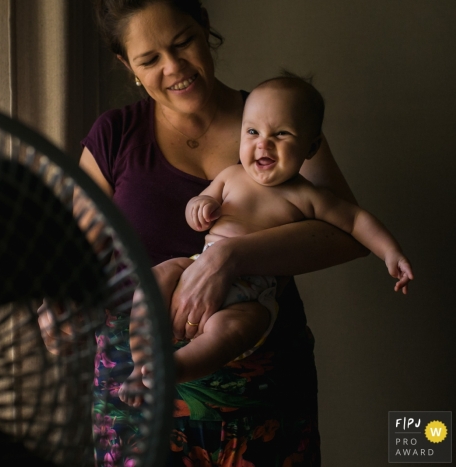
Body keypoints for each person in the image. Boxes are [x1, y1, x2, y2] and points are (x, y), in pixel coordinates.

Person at [82, 0, 370, 465]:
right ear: (127, 66)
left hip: (259, 392)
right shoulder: (113, 135)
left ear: (205, 29)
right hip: (138, 396)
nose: (174, 68)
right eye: (150, 59)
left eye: (183, 43)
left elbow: (348, 232)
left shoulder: (277, 121)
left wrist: (230, 257)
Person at [120, 75, 413, 408]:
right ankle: (141, 364)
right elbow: (197, 205)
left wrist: (391, 253)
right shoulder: (231, 175)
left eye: (282, 134)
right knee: (157, 277)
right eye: (252, 132)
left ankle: (172, 370)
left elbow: (356, 221)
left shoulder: (308, 196)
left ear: (311, 147)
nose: (263, 144)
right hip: (198, 267)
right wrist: (200, 207)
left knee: (235, 330)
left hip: (253, 292)